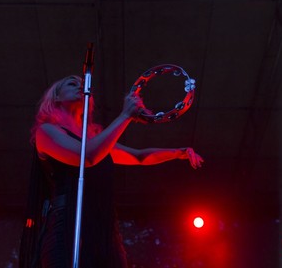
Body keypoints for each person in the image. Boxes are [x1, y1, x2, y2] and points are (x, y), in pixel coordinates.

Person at [19, 75, 204, 268]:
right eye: (73, 84)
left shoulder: (95, 139)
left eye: (84, 85)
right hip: (66, 226)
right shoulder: (47, 131)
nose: (82, 87)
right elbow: (87, 157)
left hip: (101, 227)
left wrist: (178, 153)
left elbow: (138, 157)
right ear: (56, 98)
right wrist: (125, 116)